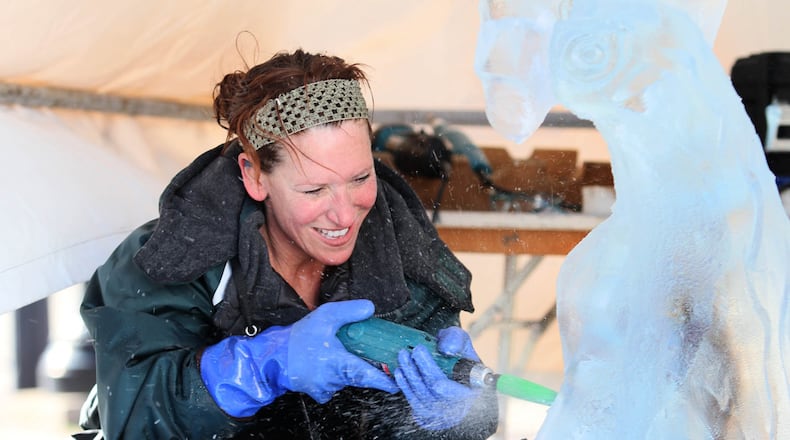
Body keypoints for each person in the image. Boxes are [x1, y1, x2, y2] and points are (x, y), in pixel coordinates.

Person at [77, 49, 499, 439]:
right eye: (314, 190)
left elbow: (441, 419)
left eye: (360, 179)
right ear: (254, 175)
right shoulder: (170, 259)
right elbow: (134, 420)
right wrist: (258, 365)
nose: (344, 215)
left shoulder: (403, 256)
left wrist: (458, 417)